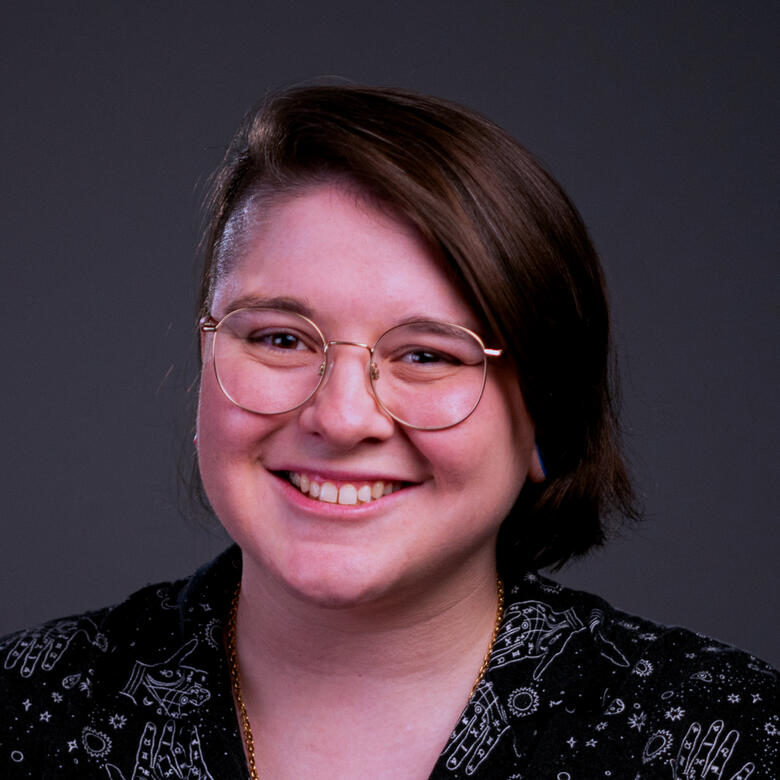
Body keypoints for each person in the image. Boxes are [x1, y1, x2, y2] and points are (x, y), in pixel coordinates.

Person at [1, 85, 776, 779]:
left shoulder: (735, 743)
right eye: (279, 338)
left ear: (546, 408)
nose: (341, 418)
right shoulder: (23, 715)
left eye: (427, 355)